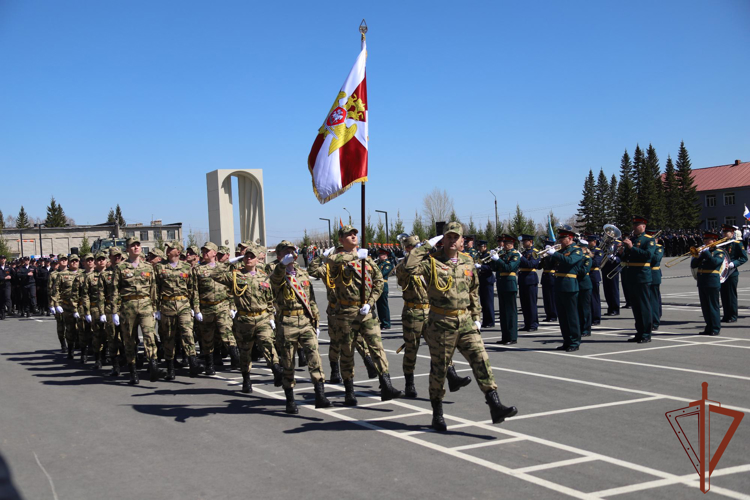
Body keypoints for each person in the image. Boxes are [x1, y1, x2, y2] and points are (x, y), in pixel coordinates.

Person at [403, 222, 517, 432]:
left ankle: (495, 405)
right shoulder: (432, 262)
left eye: (457, 237)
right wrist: (427, 245)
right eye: (448, 237)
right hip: (441, 323)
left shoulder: (468, 261)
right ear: (443, 239)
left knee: (481, 360)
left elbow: (474, 291)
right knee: (439, 369)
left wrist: (477, 316)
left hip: (465, 321)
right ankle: (437, 413)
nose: (453, 240)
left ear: (462, 240)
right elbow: (409, 266)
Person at [326, 225, 403, 405]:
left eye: (355, 234)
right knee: (347, 353)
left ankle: (386, 385)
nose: (353, 236)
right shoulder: (339, 259)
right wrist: (355, 256)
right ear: (341, 239)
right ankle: (349, 391)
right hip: (346, 313)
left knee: (377, 349)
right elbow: (330, 262)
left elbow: (378, 282)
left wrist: (370, 302)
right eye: (349, 235)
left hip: (367, 313)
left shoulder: (367, 260)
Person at [210, 242, 283, 394]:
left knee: (268, 344)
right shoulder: (236, 276)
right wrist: (229, 263)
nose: (249, 259)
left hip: (262, 317)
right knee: (245, 352)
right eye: (246, 256)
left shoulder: (264, 277)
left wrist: (271, 316)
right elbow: (215, 274)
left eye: (252, 256)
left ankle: (276, 370)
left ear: (258, 260)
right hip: (244, 320)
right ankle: (246, 378)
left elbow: (269, 299)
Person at [270, 242, 331, 412]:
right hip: (287, 322)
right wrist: (282, 266)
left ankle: (320, 395)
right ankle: (290, 399)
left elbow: (311, 299)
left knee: (315, 358)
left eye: (292, 251)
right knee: (288, 362)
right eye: (286, 252)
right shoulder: (276, 272)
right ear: (279, 255)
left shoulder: (302, 273)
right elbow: (274, 282)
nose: (291, 254)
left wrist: (316, 321)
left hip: (305, 321)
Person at [110, 237, 160, 384]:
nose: (136, 247)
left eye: (138, 245)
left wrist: (155, 308)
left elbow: (153, 289)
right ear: (127, 249)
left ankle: (153, 367)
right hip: (128, 306)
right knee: (129, 340)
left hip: (145, 305)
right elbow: (114, 291)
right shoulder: (120, 268)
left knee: (149, 336)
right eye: (133, 245)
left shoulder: (148, 267)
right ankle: (133, 372)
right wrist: (114, 311)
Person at [154, 240, 202, 379]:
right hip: (167, 305)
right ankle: (170, 368)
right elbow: (155, 289)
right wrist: (155, 308)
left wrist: (196, 308)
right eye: (167, 248)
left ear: (178, 251)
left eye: (171, 248)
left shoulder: (186, 267)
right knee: (168, 337)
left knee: (187, 333)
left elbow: (193, 289)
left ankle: (193, 364)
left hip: (183, 305)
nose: (168, 249)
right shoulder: (159, 267)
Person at [193, 242, 238, 375]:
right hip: (206, 307)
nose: (205, 253)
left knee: (227, 333)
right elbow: (195, 291)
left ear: (214, 253)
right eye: (203, 251)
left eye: (207, 251)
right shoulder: (197, 269)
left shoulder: (223, 268)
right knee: (207, 338)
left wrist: (232, 306)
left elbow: (231, 288)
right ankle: (209, 364)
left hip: (222, 305)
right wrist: (196, 310)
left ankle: (236, 359)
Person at [545, 226, 583, 352]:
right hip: (559, 284)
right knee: (562, 316)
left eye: (562, 238)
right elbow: (548, 265)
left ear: (570, 238)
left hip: (569, 285)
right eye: (559, 238)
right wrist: (548, 255)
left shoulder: (576, 250)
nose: (560, 240)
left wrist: (554, 254)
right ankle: (566, 341)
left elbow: (570, 262)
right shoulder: (560, 251)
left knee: (571, 315)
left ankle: (574, 342)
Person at [619, 216, 655, 343]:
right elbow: (625, 258)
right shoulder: (632, 239)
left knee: (644, 306)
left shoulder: (649, 240)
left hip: (642, 276)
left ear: (644, 226)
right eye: (634, 225)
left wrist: (631, 248)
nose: (635, 227)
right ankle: (639, 332)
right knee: (635, 307)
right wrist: (621, 251)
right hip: (631, 275)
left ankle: (646, 334)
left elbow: (648, 255)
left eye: (637, 225)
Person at [691, 231, 726, 336]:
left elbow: (715, 263)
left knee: (712, 306)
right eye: (704, 239)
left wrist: (706, 254)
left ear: (714, 241)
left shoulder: (719, 252)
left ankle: (715, 328)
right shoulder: (703, 252)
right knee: (705, 306)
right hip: (702, 281)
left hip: (712, 281)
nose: (705, 241)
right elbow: (693, 265)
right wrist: (699, 256)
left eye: (708, 239)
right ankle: (708, 327)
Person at [52, 254, 84, 359]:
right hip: (67, 306)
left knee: (82, 329)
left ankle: (83, 352)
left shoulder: (83, 274)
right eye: (72, 261)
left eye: (76, 261)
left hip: (80, 306)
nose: (74, 262)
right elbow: (55, 290)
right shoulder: (62, 275)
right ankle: (70, 350)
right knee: (70, 329)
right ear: (69, 263)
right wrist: (56, 304)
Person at [491, 234, 520, 345]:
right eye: (504, 243)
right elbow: (494, 268)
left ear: (512, 244)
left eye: (507, 243)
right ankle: (505, 336)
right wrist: (493, 259)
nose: (504, 245)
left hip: (509, 284)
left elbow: (509, 268)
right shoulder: (503, 254)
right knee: (503, 313)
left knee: (510, 312)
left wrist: (498, 260)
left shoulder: (515, 254)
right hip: (502, 283)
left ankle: (512, 337)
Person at [720, 224, 747, 323]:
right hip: (722, 273)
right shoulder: (721, 244)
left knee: (731, 295)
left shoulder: (736, 243)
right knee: (723, 295)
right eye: (723, 232)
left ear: (732, 233)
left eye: (726, 232)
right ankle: (726, 315)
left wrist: (734, 264)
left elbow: (744, 258)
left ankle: (733, 316)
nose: (724, 234)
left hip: (732, 273)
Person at [517, 234, 540, 332]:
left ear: (530, 241)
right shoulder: (524, 252)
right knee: (524, 304)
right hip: (523, 279)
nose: (523, 243)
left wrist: (521, 258)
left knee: (531, 304)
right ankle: (527, 324)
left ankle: (533, 324)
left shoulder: (535, 252)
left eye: (525, 241)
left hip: (531, 280)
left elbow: (532, 264)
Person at [475, 240, 496, 328]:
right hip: (482, 280)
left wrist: (481, 267)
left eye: (481, 246)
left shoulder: (488, 255)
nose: (479, 248)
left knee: (488, 302)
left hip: (488, 280)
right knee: (483, 302)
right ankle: (486, 321)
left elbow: (491, 267)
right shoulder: (480, 255)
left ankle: (490, 321)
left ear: (485, 247)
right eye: (479, 246)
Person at [647, 230, 664, 331]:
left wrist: (650, 249)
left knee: (654, 299)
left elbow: (656, 259)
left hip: (653, 275)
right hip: (643, 275)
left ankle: (655, 321)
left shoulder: (659, 247)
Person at [539, 240, 558, 322]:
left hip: (552, 276)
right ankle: (548, 314)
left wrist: (551, 255)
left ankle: (553, 315)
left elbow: (553, 264)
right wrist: (542, 257)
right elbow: (539, 266)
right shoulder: (545, 256)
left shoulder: (554, 255)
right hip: (545, 277)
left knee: (552, 298)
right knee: (546, 298)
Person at [577, 241, 593, 339]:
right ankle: (580, 327)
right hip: (577, 285)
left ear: (584, 248)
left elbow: (583, 271)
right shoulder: (578, 258)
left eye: (579, 247)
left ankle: (586, 329)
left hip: (585, 285)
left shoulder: (587, 259)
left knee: (585, 309)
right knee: (579, 308)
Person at [601, 239, 621, 316]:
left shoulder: (618, 245)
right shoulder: (604, 246)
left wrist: (614, 258)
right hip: (605, 268)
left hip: (614, 269)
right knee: (607, 290)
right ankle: (610, 308)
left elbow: (622, 256)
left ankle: (615, 309)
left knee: (613, 290)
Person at [586, 235, 603, 325]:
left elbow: (596, 263)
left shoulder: (598, 251)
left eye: (590, 241)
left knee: (594, 297)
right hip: (586, 275)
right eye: (588, 241)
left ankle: (596, 318)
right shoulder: (585, 250)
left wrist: (589, 256)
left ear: (594, 242)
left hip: (593, 275)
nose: (588, 243)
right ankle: (589, 317)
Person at [375, 247, 393, 329]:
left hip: (383, 285)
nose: (379, 256)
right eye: (379, 254)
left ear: (385, 255)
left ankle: (386, 323)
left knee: (383, 305)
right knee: (379, 305)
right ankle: (382, 322)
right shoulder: (379, 264)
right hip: (377, 286)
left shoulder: (387, 264)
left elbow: (381, 274)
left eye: (381, 254)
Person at [0, 255, 12, 320]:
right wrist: (4, 278)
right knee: (1, 300)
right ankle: (2, 314)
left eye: (4, 258)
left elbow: (13, 275)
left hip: (7, 285)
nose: (3, 260)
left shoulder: (8, 268)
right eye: (1, 258)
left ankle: (9, 309)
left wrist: (11, 277)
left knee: (7, 296)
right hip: (1, 285)